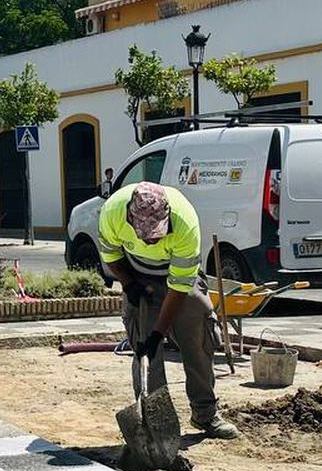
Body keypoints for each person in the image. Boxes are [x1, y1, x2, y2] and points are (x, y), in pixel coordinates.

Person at [98, 181, 238, 439]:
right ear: (130, 219)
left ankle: (205, 414)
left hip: (179, 281)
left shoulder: (185, 222)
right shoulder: (112, 212)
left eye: (156, 234)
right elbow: (111, 256)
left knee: (198, 337)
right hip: (137, 275)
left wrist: (158, 333)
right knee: (146, 354)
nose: (151, 241)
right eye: (144, 234)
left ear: (167, 217)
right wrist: (129, 285)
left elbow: (178, 289)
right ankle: (156, 423)